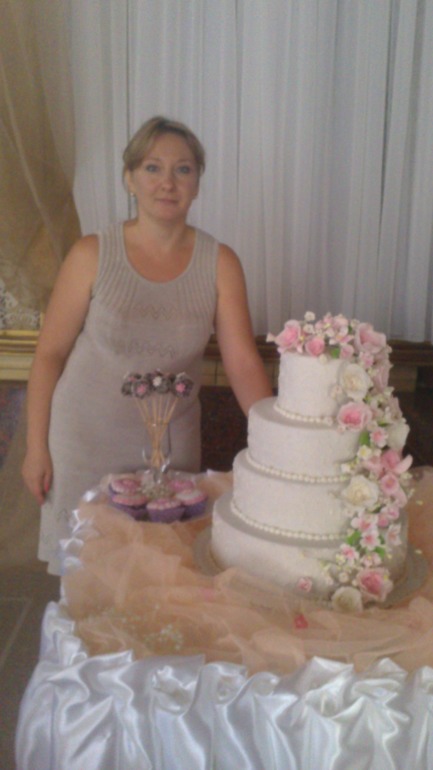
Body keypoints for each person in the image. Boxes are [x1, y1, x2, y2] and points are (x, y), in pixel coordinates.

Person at [22, 115, 273, 575]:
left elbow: (241, 362)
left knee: (162, 580)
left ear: (197, 183)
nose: (167, 182)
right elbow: (49, 355)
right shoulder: (91, 254)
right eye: (152, 167)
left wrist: (277, 443)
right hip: (83, 442)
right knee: (87, 582)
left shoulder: (220, 262)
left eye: (183, 169)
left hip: (170, 451)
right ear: (129, 178)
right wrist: (35, 447)